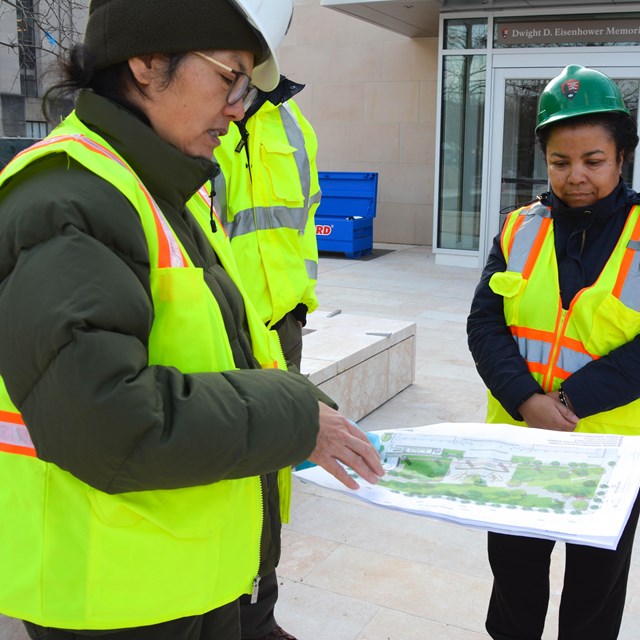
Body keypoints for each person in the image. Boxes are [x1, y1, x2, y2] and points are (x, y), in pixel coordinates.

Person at [0, 1, 385, 639]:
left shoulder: (163, 187)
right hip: (113, 599)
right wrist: (290, 415)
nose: (239, 108)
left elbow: (214, 351)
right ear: (148, 63)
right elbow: (106, 420)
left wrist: (304, 403)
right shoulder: (68, 198)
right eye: (228, 77)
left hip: (181, 577)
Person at [467, 63, 640, 640]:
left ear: (621, 158)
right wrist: (524, 399)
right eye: (560, 163)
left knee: (594, 596)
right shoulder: (519, 229)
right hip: (519, 444)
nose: (577, 177)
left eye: (593, 161)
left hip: (609, 454)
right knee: (514, 584)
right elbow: (484, 323)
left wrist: (565, 400)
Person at [214, 76, 319, 640]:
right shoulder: (200, 114)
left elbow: (303, 221)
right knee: (228, 472)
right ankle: (226, 612)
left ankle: (259, 613)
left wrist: (299, 305)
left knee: (272, 473)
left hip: (280, 327)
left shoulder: (293, 124)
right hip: (219, 326)